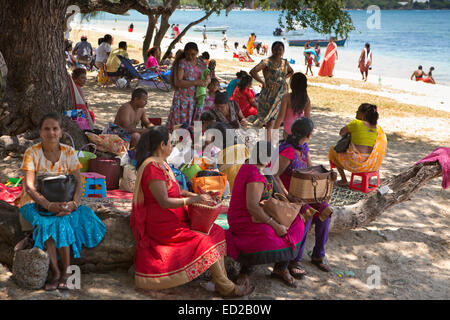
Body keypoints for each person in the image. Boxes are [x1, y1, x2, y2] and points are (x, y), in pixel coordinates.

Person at [130, 126, 254, 297]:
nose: (173, 147)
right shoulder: (152, 167)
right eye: (171, 143)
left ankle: (220, 282)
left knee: (216, 231)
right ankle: (227, 288)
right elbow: (164, 202)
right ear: (161, 145)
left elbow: (177, 190)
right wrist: (194, 200)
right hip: (164, 228)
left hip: (177, 220)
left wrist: (199, 194)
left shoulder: (162, 164)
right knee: (205, 242)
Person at [18, 113, 106, 291]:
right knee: (47, 221)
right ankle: (56, 272)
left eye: (55, 128)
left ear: (61, 131)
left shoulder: (68, 151)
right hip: (32, 202)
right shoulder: (32, 152)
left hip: (64, 201)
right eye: (47, 129)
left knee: (62, 220)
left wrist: (74, 203)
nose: (51, 132)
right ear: (40, 132)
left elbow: (79, 182)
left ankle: (65, 272)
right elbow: (29, 187)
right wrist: (48, 205)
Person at [226, 140, 305, 288]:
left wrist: (289, 200)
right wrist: (275, 225)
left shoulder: (257, 167)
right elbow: (252, 207)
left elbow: (275, 184)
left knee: (297, 222)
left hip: (257, 213)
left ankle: (280, 268)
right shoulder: (254, 175)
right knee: (268, 233)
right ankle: (246, 270)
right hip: (244, 219)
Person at [273, 117, 333, 276]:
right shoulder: (287, 151)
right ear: (307, 134)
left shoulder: (304, 148)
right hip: (288, 194)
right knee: (307, 214)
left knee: (326, 212)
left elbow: (310, 170)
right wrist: (288, 196)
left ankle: (318, 255)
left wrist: (322, 190)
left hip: (305, 193)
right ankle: (295, 259)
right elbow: (274, 176)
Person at [328, 103, 387, 187]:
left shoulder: (356, 123)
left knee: (333, 150)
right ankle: (367, 182)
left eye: (358, 111)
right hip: (372, 165)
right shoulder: (379, 129)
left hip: (356, 164)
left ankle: (344, 180)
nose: (356, 112)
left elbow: (341, 133)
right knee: (368, 154)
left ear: (363, 114)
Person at [250, 41, 294, 139]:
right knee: (269, 120)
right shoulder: (266, 62)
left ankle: (268, 143)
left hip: (281, 94)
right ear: (272, 50)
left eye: (280, 49)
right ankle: (267, 144)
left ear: (283, 51)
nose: (278, 51)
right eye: (275, 49)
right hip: (269, 94)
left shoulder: (285, 62)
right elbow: (253, 72)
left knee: (275, 119)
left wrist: (284, 79)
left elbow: (291, 71)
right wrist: (263, 82)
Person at [167, 42, 208, 131]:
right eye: (187, 54)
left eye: (193, 54)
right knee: (180, 124)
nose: (190, 57)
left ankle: (192, 142)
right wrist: (195, 82)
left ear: (197, 52)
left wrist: (207, 80)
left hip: (196, 98)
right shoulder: (183, 63)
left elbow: (207, 77)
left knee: (194, 123)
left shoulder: (202, 64)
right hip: (183, 99)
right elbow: (178, 82)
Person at [273, 72, 311, 138]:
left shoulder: (286, 97)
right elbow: (307, 118)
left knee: (287, 144)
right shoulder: (306, 99)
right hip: (300, 127)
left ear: (292, 84)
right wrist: (308, 133)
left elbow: (281, 116)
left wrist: (274, 130)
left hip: (288, 127)